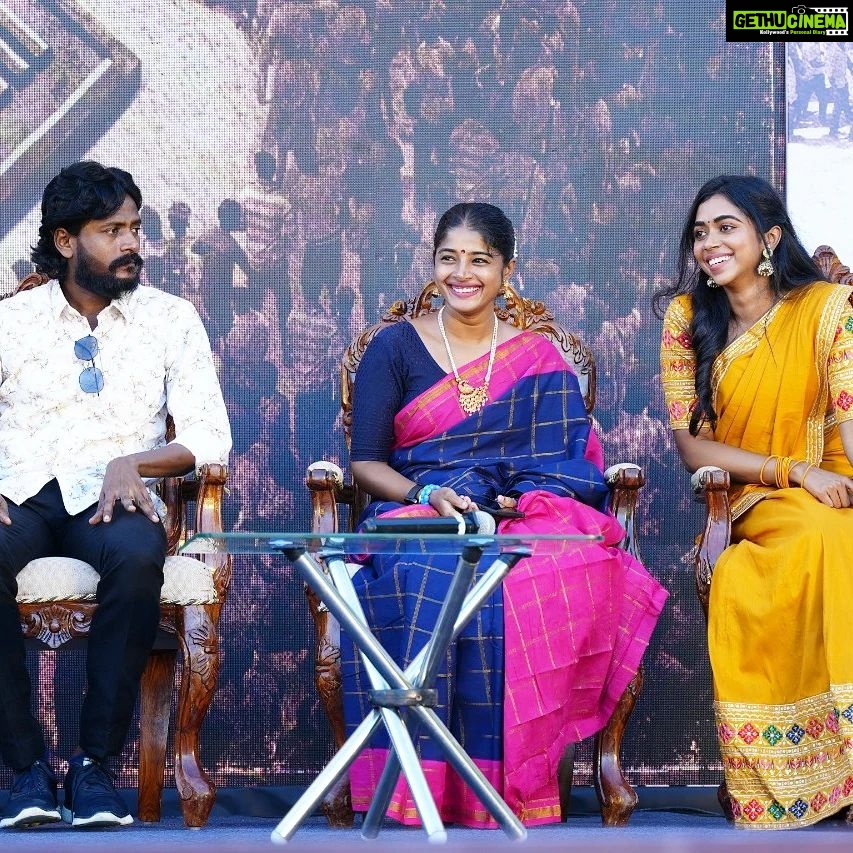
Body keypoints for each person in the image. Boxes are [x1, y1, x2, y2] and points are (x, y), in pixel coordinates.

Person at [343, 202, 668, 827]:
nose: (462, 273)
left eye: (479, 261)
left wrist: (529, 497)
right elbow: (366, 464)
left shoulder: (539, 358)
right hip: (420, 512)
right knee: (438, 572)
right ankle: (426, 789)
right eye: (448, 259)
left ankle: (509, 784)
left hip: (512, 516)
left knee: (548, 571)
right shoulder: (395, 346)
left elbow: (567, 463)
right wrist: (425, 496)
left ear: (506, 270)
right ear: (433, 263)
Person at [0, 162, 231, 829]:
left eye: (134, 227)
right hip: (23, 492)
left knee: (137, 558)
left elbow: (209, 436)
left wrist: (137, 460)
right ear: (67, 241)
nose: (132, 242)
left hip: (114, 498)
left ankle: (95, 765)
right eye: (112, 231)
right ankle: (26, 770)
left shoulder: (171, 318)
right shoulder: (13, 321)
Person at [657, 174, 853, 829]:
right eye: (699, 232)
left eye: (725, 226)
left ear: (768, 237)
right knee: (811, 538)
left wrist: (823, 474)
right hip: (747, 497)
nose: (708, 243)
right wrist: (791, 470)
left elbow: (848, 425)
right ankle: (793, 775)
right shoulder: (685, 319)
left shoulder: (827, 308)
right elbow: (691, 449)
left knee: (833, 531)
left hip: (831, 484)